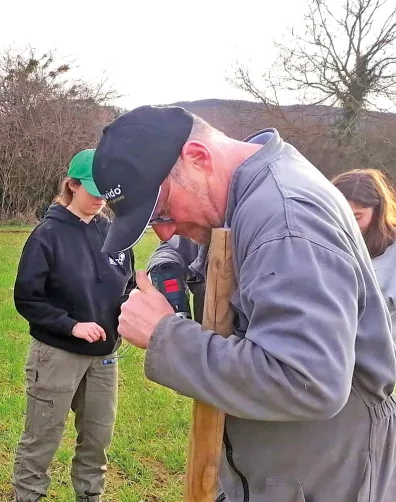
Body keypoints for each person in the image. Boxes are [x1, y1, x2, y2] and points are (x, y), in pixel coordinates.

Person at [91, 105, 396, 502]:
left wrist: (165, 335)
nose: (166, 232)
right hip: (286, 469)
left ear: (198, 158)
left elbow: (309, 380)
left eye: (162, 210)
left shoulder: (286, 220)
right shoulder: (254, 196)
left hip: (325, 477)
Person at [12, 149, 136, 502]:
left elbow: (125, 286)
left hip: (105, 357)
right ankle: (28, 496)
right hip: (57, 355)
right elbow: (28, 299)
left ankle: (89, 496)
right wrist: (71, 326)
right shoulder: (46, 236)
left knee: (97, 439)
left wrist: (129, 313)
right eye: (92, 190)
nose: (100, 199)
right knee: (42, 438)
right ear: (71, 185)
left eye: (105, 192)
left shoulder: (116, 235)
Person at [332, 169, 396, 328]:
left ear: (377, 211)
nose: (346, 223)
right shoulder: (319, 243)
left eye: (356, 217)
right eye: (338, 214)